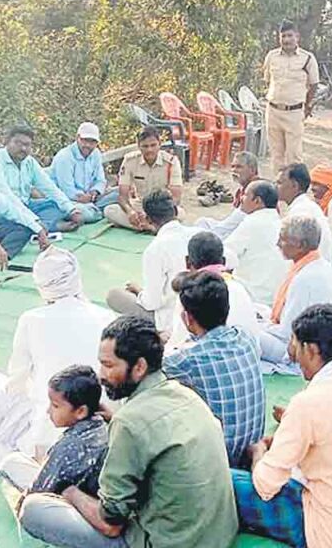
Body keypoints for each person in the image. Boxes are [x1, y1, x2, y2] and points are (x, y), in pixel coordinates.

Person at [16, 316, 238, 548]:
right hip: (218, 536)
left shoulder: (129, 423)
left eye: (109, 365)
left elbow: (110, 524)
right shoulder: (185, 395)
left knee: (33, 509)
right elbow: (154, 434)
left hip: (166, 543)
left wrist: (69, 492)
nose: (101, 375)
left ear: (139, 367)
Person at [231, 305, 332, 548]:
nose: (292, 355)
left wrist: (258, 452)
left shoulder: (308, 404)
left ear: (311, 350)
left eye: (295, 345)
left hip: (329, 535)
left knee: (227, 480)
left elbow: (265, 486)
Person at [0, 246, 116, 457]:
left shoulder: (31, 320)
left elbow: (16, 383)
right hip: (105, 419)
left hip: (50, 428)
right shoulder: (106, 317)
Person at [163, 271, 265, 467]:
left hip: (217, 465)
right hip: (250, 453)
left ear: (187, 318)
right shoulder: (245, 338)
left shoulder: (183, 362)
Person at [1, 366, 108, 500]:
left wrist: (23, 502)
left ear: (81, 411)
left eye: (55, 406)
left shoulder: (69, 444)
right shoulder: (102, 424)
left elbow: (38, 491)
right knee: (17, 460)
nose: (48, 410)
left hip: (79, 504)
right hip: (91, 496)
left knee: (11, 464)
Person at [258, 216, 332, 375]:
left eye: (282, 239)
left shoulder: (305, 278)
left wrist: (261, 326)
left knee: (246, 332)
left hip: (300, 353)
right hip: (317, 344)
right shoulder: (319, 266)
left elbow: (287, 333)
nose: (278, 244)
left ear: (301, 245)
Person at [105, 190, 198, 331]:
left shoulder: (155, 249)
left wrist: (139, 291)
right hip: (205, 311)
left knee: (114, 296)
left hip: (173, 320)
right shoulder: (198, 234)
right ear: (175, 211)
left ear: (148, 219)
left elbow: (152, 303)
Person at [166, 231, 259, 352]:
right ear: (223, 261)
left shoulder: (191, 293)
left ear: (187, 262)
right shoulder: (239, 287)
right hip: (249, 355)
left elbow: (177, 343)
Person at [0, 125, 83, 233]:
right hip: (2, 213)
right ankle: (46, 227)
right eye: (18, 143)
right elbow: (7, 200)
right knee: (17, 224)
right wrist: (33, 220)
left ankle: (42, 227)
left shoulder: (29, 162)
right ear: (7, 142)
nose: (23, 148)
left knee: (54, 205)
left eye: (27, 145)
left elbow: (49, 187)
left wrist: (72, 210)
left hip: (26, 206)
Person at [262, 19, 320, 171]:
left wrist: (307, 106)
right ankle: (278, 184)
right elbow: (267, 80)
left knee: (294, 156)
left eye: (290, 36)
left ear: (297, 37)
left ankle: (295, 185)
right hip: (273, 111)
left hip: (294, 113)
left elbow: (314, 84)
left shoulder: (307, 58)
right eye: (283, 36)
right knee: (276, 155)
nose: (286, 40)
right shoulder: (272, 56)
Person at [104, 127, 184, 232]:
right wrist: (130, 212)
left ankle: (146, 227)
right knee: (110, 211)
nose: (149, 150)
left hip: (162, 209)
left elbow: (176, 198)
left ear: (159, 144)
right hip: (140, 206)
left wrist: (156, 215)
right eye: (145, 146)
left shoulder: (171, 162)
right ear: (139, 146)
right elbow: (122, 196)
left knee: (180, 214)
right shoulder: (130, 160)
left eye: (153, 145)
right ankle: (154, 228)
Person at [223, 180, 289, 305]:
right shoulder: (280, 223)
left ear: (257, 201)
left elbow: (225, 255)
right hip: (273, 297)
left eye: (245, 195)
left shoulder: (253, 222)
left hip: (251, 295)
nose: (241, 198)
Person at [50, 122, 119, 224]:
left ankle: (97, 211)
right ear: (77, 138)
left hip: (92, 199)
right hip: (69, 201)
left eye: (92, 142)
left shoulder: (96, 154)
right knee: (82, 213)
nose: (88, 145)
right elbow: (67, 190)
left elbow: (100, 180)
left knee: (120, 194)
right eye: (85, 140)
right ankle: (99, 212)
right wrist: (83, 198)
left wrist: (94, 192)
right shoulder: (64, 157)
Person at [194, 151, 259, 239]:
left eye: (239, 167)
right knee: (202, 222)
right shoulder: (242, 189)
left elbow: (240, 222)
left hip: (245, 232)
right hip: (235, 227)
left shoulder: (256, 189)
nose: (234, 170)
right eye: (233, 166)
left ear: (252, 170)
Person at [277, 163, 332, 264]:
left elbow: (292, 251)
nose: (275, 187)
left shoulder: (301, 213)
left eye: (279, 183)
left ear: (294, 185)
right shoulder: (306, 206)